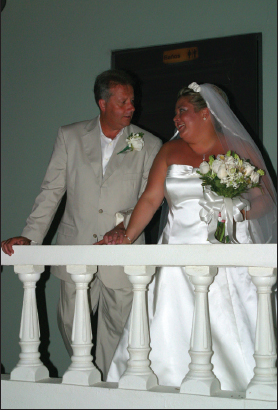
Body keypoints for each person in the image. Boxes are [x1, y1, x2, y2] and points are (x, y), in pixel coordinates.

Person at [104, 82, 277, 391]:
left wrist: (237, 212)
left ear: (206, 113)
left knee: (229, 324)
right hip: (176, 257)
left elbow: (265, 200)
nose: (176, 119)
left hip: (227, 254)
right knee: (170, 324)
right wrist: (127, 236)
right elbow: (150, 199)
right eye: (175, 113)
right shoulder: (169, 151)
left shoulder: (238, 149)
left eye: (182, 111)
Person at [1, 69, 162, 380]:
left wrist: (123, 226)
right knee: (73, 327)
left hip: (123, 252)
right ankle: (85, 381)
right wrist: (29, 238)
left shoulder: (149, 143)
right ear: (102, 103)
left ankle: (103, 391)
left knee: (117, 335)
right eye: (123, 101)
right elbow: (51, 192)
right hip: (76, 250)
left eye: (132, 100)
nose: (132, 107)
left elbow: (148, 199)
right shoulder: (69, 136)